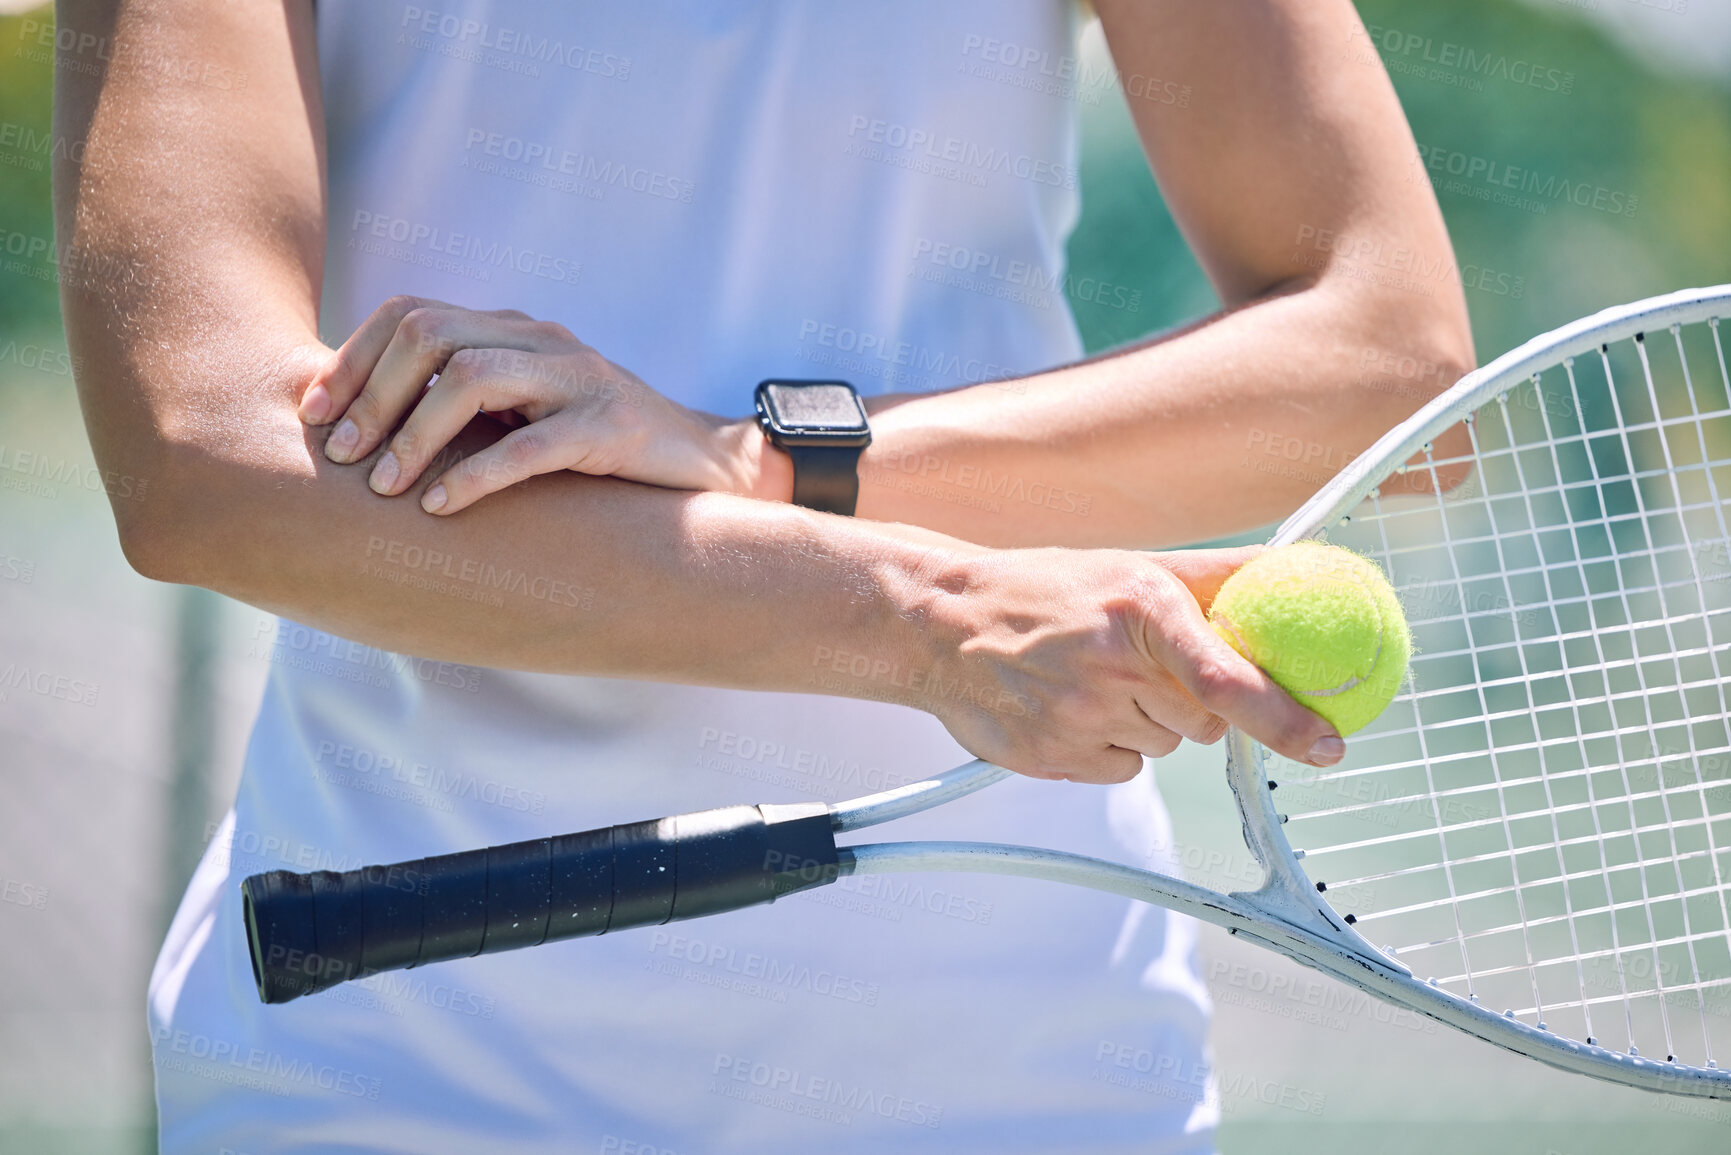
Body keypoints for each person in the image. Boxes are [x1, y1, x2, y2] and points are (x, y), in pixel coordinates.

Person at [54, 0, 1472, 1150]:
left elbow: (1389, 366)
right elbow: (204, 462)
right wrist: (919, 616)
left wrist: (764, 463)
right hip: (397, 1051)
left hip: (1023, 1071)